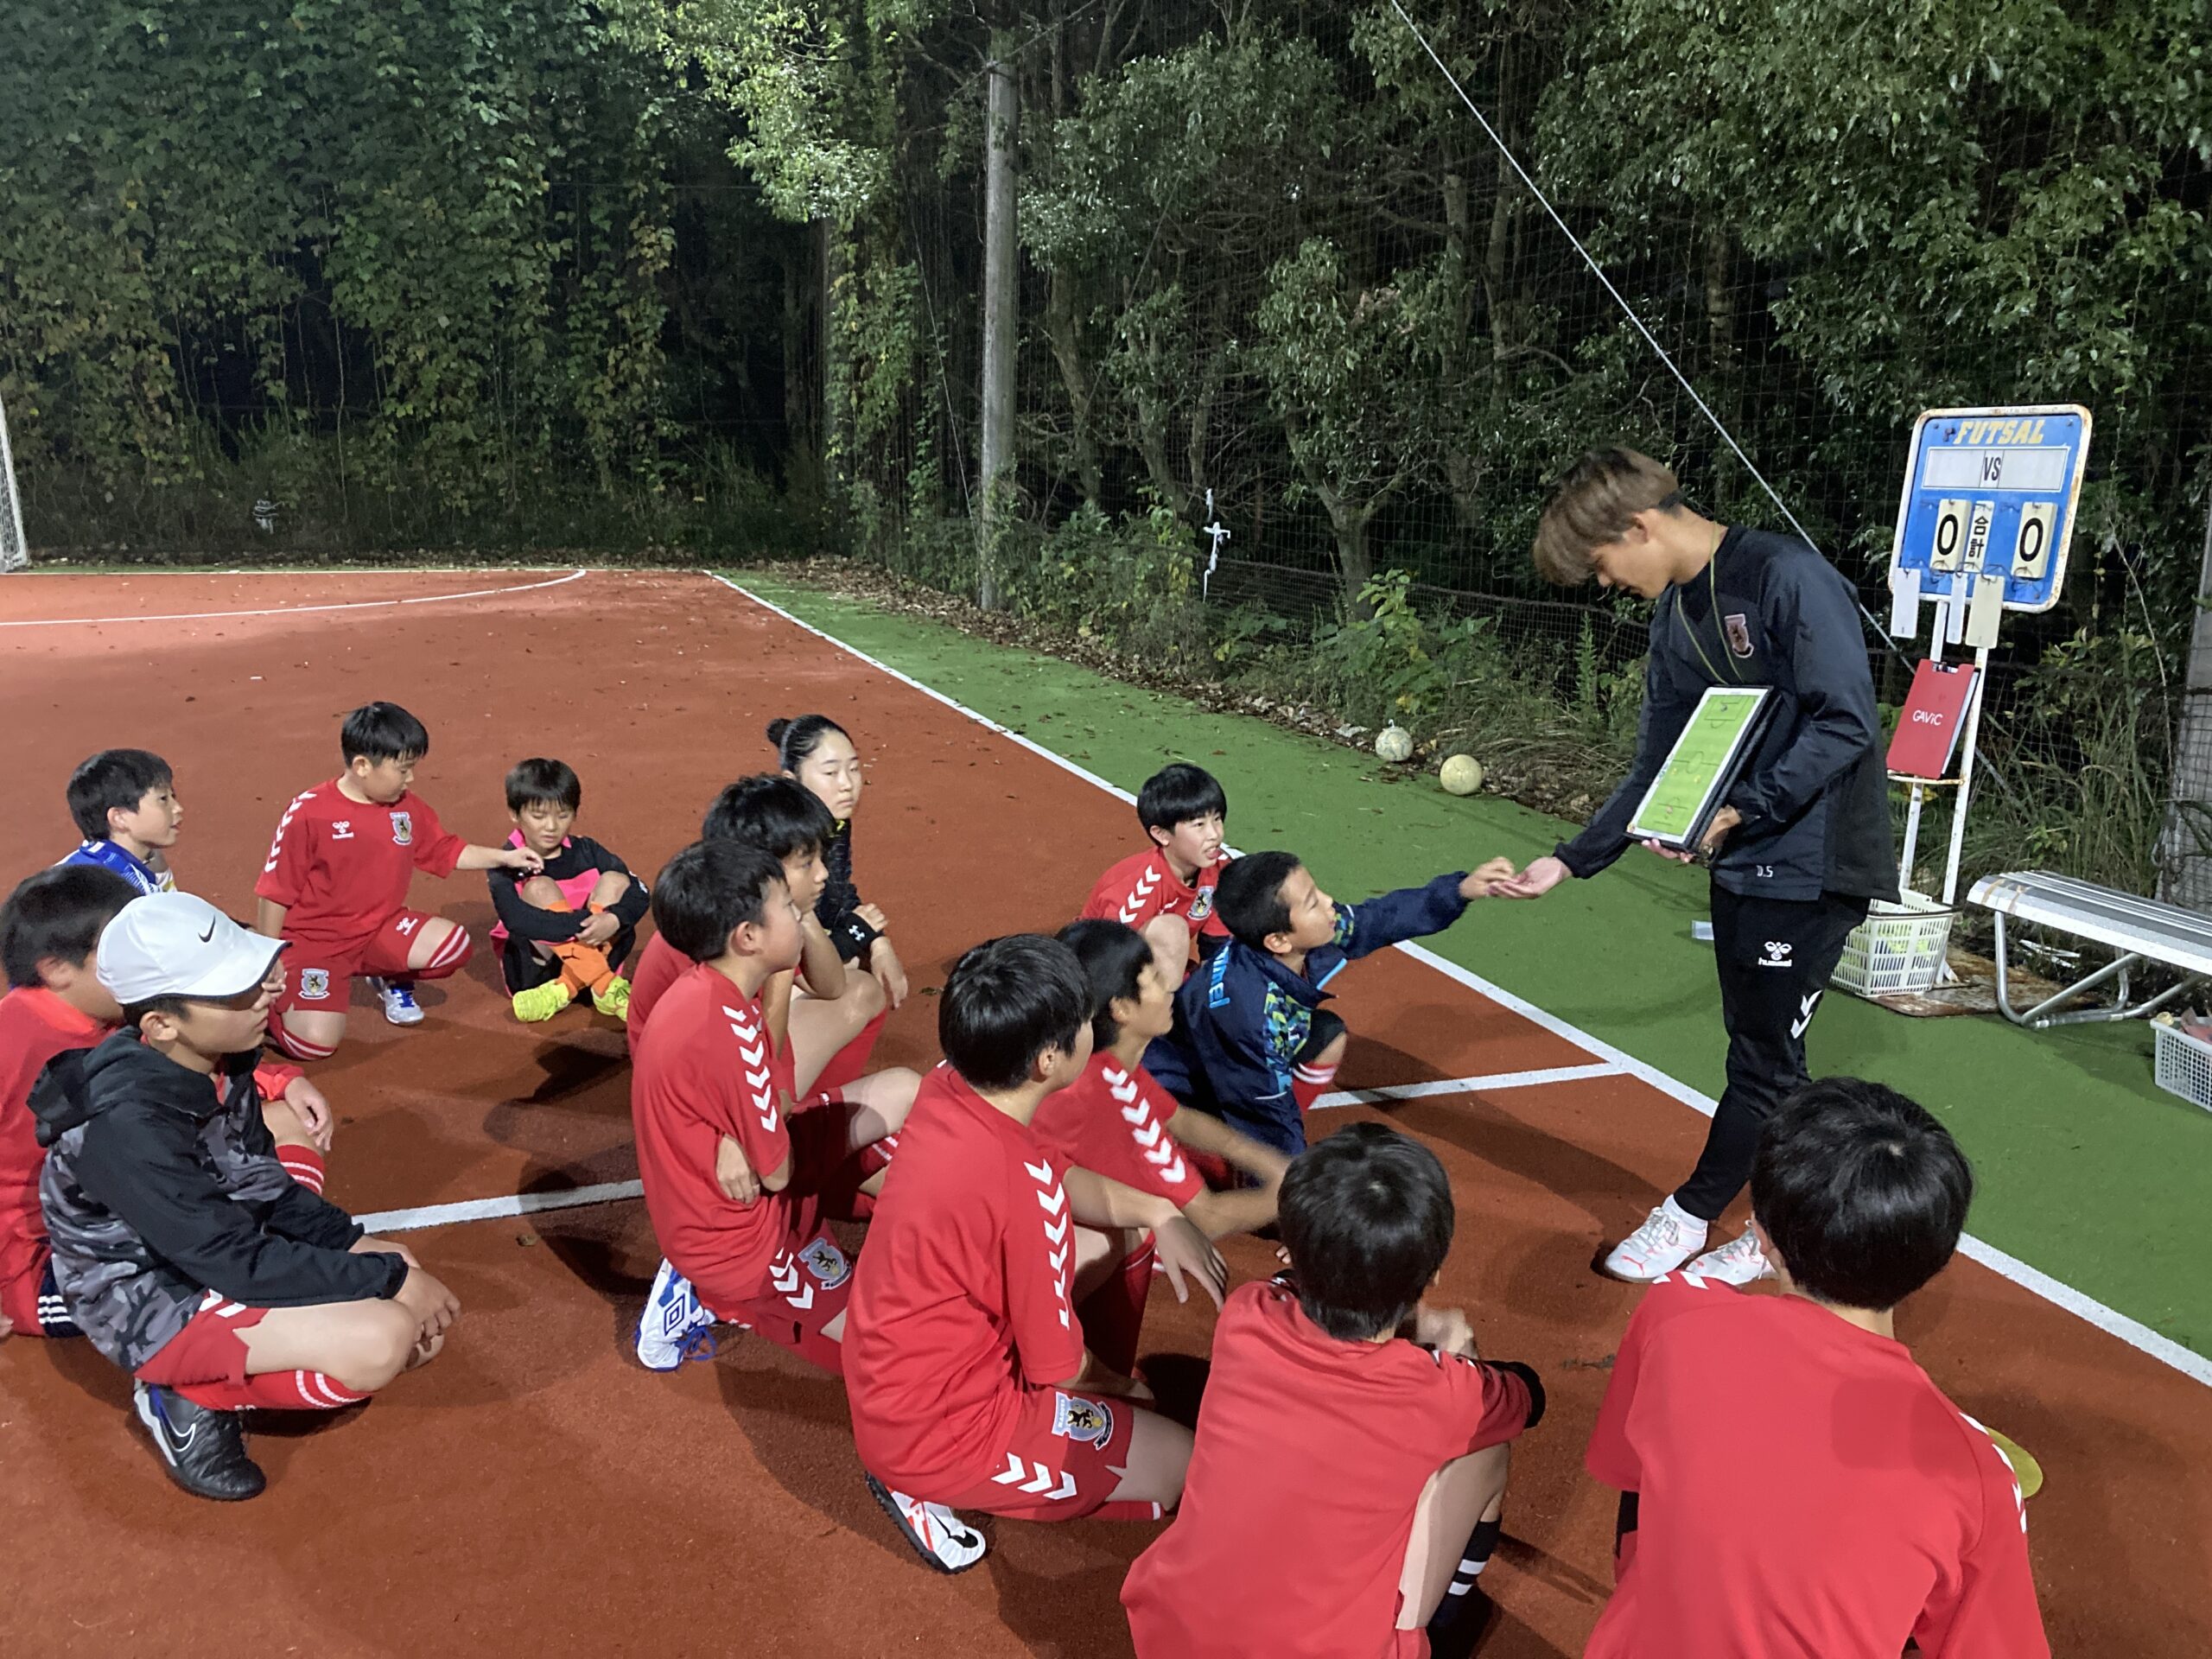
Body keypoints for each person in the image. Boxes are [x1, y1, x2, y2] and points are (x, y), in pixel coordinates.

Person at [1493, 448, 1897, 1285]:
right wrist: (1571, 861)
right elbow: (1657, 765)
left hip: (1814, 863)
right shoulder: (1674, 616)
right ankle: (1795, 1226)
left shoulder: (1788, 576)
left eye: (1601, 565)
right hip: (1744, 861)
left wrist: (1745, 804)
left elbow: (1846, 720)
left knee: (1758, 1061)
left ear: (1639, 526)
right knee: (1769, 1056)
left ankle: (1691, 1215)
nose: (1605, 584)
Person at [1582, 1077, 2050, 1656]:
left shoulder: (1673, 1314)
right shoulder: (1977, 1478)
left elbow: (1634, 1509)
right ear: (1937, 1256)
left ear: (1762, 1237)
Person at [31, 893, 458, 1501]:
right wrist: (384, 1278)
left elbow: (259, 1181)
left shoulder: (218, 1060)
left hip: (207, 1240)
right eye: (236, 989)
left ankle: (233, 1358)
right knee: (383, 1338)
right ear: (161, 1024)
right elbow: (231, 1261)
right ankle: (184, 1395)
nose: (267, 994)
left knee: (404, 1292)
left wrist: (352, 1242)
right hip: (147, 1295)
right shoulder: (126, 1127)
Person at [844, 934, 1230, 1574]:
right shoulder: (1022, 1189)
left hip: (896, 1367)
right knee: (1185, 1470)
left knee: (1115, 1236)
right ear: (1048, 1060)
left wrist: (1159, 1209)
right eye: (1084, 1022)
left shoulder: (951, 1088)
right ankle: (922, 1484)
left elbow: (1050, 1173)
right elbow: (1064, 1368)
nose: (1093, 1030)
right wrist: (1130, 1390)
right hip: (943, 1430)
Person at [1122, 1123, 1545, 1659]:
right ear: (1433, 1272)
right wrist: (1456, 1352)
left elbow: (1289, 1293)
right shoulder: (1445, 1392)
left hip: (1173, 1635)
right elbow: (1528, 1396)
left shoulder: (1245, 1316)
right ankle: (1442, 1629)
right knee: (1485, 1452)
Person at [1, 868, 334, 1344]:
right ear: (56, 969)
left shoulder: (117, 1015)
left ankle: (267, 1248)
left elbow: (182, 1061)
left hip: (133, 1206)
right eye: (118, 949)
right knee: (236, 1291)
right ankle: (174, 1390)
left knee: (284, 1122)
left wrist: (278, 1080)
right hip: (59, 1262)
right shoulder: (11, 1039)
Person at [629, 840, 914, 1375]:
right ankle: (710, 1297)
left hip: (728, 1197)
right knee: (896, 1353)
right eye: (789, 907)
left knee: (902, 1088)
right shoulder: (733, 1030)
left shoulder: (704, 990)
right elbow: (779, 1172)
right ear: (748, 936)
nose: (801, 916)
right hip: (745, 1251)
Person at [1147, 850, 1516, 1156]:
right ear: (1278, 940)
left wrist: (1460, 890)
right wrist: (1297, 1210)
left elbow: (1380, 919)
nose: (1328, 903)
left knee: (1327, 1034)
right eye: (1312, 902)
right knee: (1251, 1158)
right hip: (1176, 1095)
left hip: (1225, 1070)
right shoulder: (1252, 1016)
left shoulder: (1284, 947)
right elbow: (1267, 1117)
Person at [1046, 919, 1293, 1374]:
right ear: (1120, 1008)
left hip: (1024, 1223)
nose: (1171, 988)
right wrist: (1299, 1192)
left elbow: (1180, 1119)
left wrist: (1271, 1160)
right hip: (1041, 1257)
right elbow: (1207, 1218)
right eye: (1156, 980)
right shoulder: (1107, 1093)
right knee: (1135, 1236)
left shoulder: (1097, 1065)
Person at [255, 701, 543, 1059]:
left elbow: (445, 850)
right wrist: (266, 958)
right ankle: (261, 1008)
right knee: (313, 1046)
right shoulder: (308, 813)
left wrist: (505, 856)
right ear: (362, 766)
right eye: (403, 769)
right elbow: (274, 892)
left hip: (378, 929)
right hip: (315, 943)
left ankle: (386, 975)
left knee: (452, 947)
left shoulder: (405, 806)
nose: (411, 779)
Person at [769, 715, 907, 1065]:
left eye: (854, 769)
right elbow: (787, 954)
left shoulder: (833, 824)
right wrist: (856, 934)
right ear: (792, 781)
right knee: (856, 987)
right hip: (757, 988)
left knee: (854, 975)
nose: (847, 784)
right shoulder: (779, 845)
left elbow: (836, 892)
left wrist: (878, 942)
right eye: (831, 773)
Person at [486, 757, 650, 1024]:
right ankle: (603, 983)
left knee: (616, 880)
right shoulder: (504, 861)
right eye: (538, 816)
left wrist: (613, 919)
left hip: (590, 960)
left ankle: (568, 987)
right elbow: (516, 918)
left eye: (562, 815)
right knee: (540, 887)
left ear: (575, 813)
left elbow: (641, 891)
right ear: (515, 814)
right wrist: (585, 925)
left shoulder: (588, 850)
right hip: (537, 975)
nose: (551, 827)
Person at [1080, 763, 1232, 984]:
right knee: (1171, 932)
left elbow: (1216, 947)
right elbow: (1105, 962)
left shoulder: (1220, 869)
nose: (1214, 834)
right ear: (1162, 835)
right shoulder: (1139, 888)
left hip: (1160, 971)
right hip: (1098, 973)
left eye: (1217, 819)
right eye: (1199, 824)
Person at [58, 747, 182, 896]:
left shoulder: (83, 861)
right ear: (119, 818)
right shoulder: (126, 891)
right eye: (163, 799)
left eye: (172, 796)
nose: (177, 808)